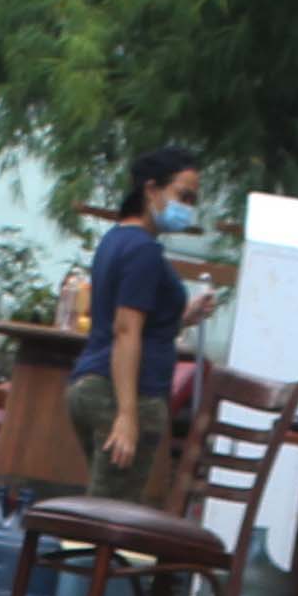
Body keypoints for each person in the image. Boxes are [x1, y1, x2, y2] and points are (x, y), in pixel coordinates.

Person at [72, 143, 200, 506]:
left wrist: (183, 316)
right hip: (130, 392)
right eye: (182, 196)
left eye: (192, 200)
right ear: (151, 189)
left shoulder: (115, 240)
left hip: (88, 386)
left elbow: (138, 323)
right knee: (109, 516)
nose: (187, 208)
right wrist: (127, 415)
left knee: (102, 504)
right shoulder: (145, 251)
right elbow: (126, 330)